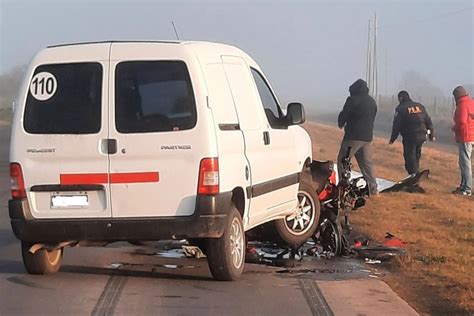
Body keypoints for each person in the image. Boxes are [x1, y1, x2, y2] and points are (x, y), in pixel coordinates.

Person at [337, 79, 378, 195]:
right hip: (367, 138)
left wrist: (341, 122)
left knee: (343, 161)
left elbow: (345, 113)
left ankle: (343, 188)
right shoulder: (372, 101)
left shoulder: (352, 100)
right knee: (367, 164)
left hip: (353, 137)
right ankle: (373, 190)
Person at [389, 91, 435, 176]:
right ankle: (416, 171)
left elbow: (396, 125)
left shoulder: (401, 108)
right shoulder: (420, 106)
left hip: (410, 136)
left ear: (400, 98)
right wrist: (431, 135)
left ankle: (413, 175)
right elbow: (428, 120)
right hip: (422, 135)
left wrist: (392, 139)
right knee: (417, 154)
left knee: (409, 155)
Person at [452, 86, 474, 196]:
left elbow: (461, 122)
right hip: (473, 136)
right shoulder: (471, 103)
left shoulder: (462, 105)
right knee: (469, 163)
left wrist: (454, 128)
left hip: (465, 137)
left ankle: (467, 188)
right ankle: (464, 186)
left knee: (465, 163)